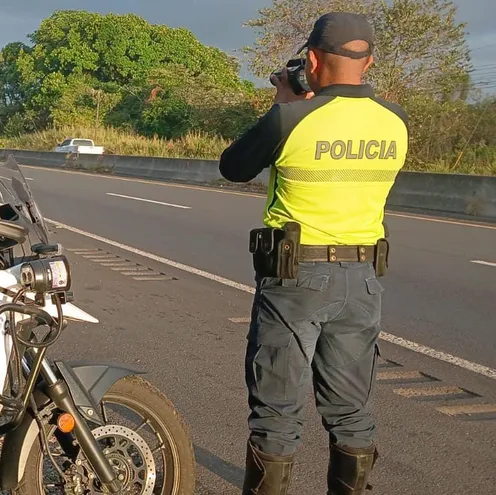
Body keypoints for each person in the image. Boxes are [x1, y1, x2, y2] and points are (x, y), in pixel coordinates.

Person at [218, 12, 409, 495]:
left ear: (312, 58)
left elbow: (234, 167)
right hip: (363, 279)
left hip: (296, 281)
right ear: (368, 61)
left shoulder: (291, 117)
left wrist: (283, 103)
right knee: (351, 410)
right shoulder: (395, 121)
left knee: (277, 412)